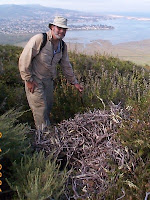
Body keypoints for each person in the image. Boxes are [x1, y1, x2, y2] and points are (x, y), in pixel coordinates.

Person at [19, 16, 83, 131]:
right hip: (35, 80)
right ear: (52, 27)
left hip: (48, 81)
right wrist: (28, 80)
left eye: (64, 29)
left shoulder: (62, 46)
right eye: (59, 28)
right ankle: (44, 137)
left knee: (48, 107)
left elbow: (66, 65)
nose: (62, 31)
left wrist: (75, 83)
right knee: (40, 108)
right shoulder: (40, 39)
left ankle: (44, 132)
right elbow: (24, 59)